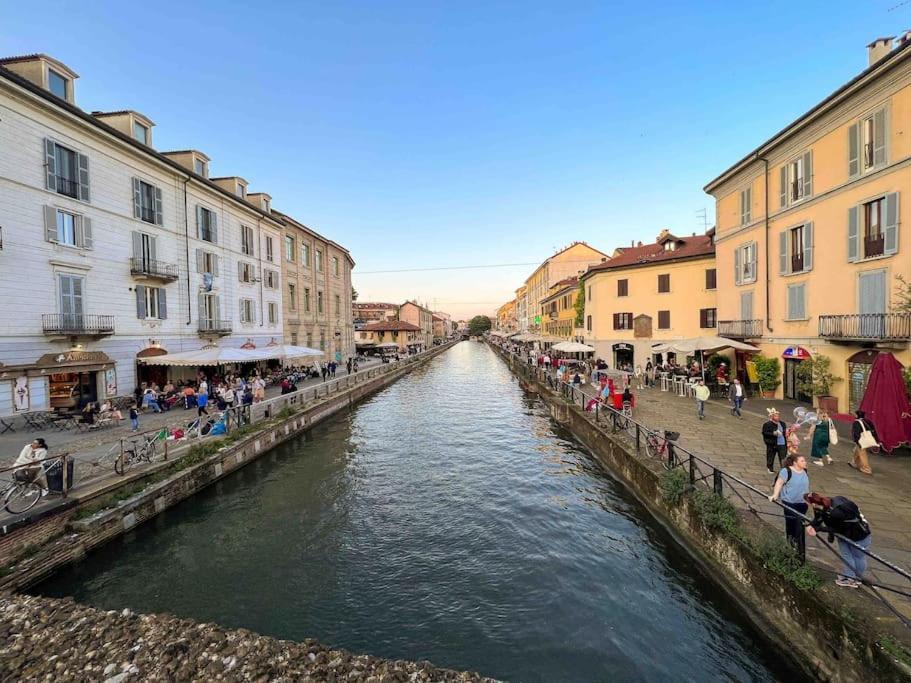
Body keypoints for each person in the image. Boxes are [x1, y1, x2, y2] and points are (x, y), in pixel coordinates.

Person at [805, 492, 872, 588]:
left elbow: (835, 528)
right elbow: (819, 519)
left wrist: (818, 529)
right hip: (863, 531)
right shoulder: (836, 500)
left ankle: (850, 579)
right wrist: (812, 524)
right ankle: (857, 578)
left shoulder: (834, 513)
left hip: (850, 535)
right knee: (859, 557)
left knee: (848, 556)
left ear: (813, 503)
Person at [769, 454, 810, 548]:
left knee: (800, 525)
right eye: (802, 461)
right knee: (791, 524)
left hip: (802, 503)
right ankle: (790, 545)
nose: (805, 462)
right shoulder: (786, 471)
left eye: (804, 460)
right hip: (789, 502)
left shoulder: (804, 471)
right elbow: (779, 483)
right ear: (795, 463)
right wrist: (775, 495)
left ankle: (798, 548)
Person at [850, 410, 878, 475]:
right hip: (868, 439)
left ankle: (866, 468)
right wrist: (876, 439)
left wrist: (857, 441)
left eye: (855, 414)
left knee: (862, 453)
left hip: (861, 440)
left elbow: (856, 433)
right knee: (857, 451)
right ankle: (854, 462)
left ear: (857, 415)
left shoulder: (856, 422)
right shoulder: (868, 421)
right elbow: (873, 430)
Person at [761, 408, 787, 474]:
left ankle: (783, 469)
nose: (777, 417)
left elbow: (784, 432)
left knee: (783, 457)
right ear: (772, 417)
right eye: (775, 416)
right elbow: (765, 433)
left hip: (782, 443)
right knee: (771, 456)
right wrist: (773, 433)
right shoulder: (767, 424)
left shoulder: (782, 423)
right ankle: (770, 468)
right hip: (772, 443)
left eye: (778, 416)